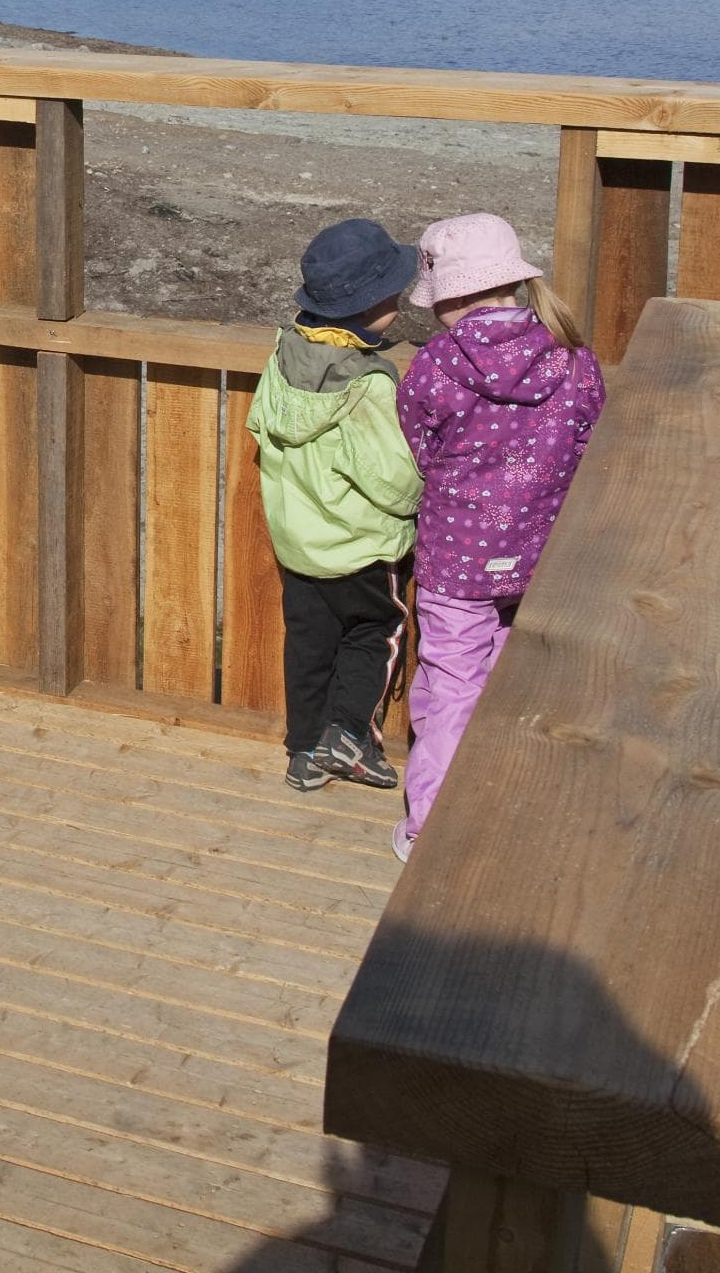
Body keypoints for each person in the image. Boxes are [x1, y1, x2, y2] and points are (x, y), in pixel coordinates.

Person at [392, 212, 605, 862]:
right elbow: (588, 444)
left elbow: (420, 443)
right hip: (542, 555)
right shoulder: (573, 358)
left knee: (449, 684)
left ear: (449, 298)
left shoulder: (436, 363)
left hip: (457, 559)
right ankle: (501, 796)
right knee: (510, 682)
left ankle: (429, 828)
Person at [246, 219, 424, 793]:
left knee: (310, 644)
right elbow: (391, 479)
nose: (399, 298)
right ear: (369, 304)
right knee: (376, 628)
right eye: (392, 292)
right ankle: (347, 735)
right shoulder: (368, 382)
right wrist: (428, 494)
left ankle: (303, 751)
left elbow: (261, 427)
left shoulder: (283, 355)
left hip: (299, 544)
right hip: (358, 548)